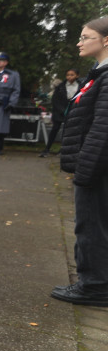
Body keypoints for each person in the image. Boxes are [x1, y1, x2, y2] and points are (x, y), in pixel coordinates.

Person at [53, 17, 108, 306]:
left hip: (96, 169)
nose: (80, 42)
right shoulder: (98, 73)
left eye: (86, 37)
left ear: (106, 40)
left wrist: (84, 171)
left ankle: (94, 288)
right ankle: (94, 283)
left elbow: (102, 129)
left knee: (91, 226)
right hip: (93, 166)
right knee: (92, 225)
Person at [41, 69, 80, 157]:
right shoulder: (61, 86)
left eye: (72, 75)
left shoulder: (80, 86)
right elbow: (55, 99)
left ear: (77, 76)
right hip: (59, 112)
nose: (69, 77)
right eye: (68, 75)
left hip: (73, 111)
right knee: (55, 129)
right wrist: (62, 110)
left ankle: (63, 150)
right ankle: (47, 149)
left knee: (66, 132)